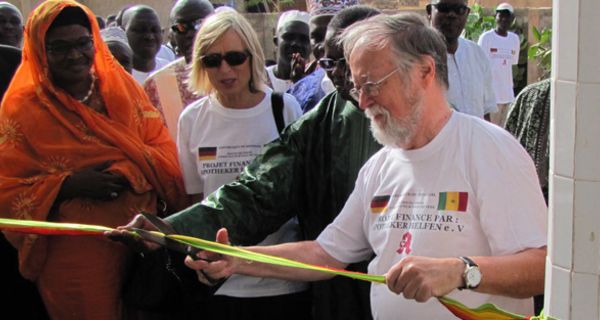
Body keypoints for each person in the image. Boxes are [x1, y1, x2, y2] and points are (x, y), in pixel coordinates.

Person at [186, 13, 548, 319]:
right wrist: (237, 259)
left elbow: (542, 268)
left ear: (424, 71)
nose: (361, 102)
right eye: (358, 87)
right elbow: (324, 254)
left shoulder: (489, 149)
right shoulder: (379, 166)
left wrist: (461, 271)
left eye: (372, 84)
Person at [110, 6, 382, 320]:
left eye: (350, 63)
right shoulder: (326, 118)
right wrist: (176, 228)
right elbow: (261, 188)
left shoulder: (434, 121)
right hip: (339, 284)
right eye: (329, 63)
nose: (339, 75)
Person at [0, 1, 189, 319]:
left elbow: (161, 151)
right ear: (39, 50)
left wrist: (127, 173)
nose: (74, 55)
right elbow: (7, 187)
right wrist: (67, 185)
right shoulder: (21, 108)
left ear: (94, 42)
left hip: (139, 244)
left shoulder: (122, 89)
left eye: (82, 43)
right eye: (59, 47)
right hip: (74, 256)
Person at [177, 10, 307, 319]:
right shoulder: (192, 120)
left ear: (253, 56)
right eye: (212, 60)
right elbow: (197, 200)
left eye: (235, 57)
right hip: (220, 285)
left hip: (282, 281)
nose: (225, 69)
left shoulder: (283, 108)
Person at [143, 0, 214, 139]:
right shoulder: (155, 86)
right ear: (171, 35)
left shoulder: (242, 74)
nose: (190, 34)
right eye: (181, 28)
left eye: (200, 24)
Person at [426, 0, 496, 120]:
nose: (452, 15)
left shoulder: (477, 55)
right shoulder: (416, 58)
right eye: (444, 7)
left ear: (467, 13)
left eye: (459, 10)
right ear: (429, 12)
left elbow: (486, 111)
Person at [286, 4, 337, 113]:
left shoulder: (375, 88)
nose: (323, 45)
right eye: (317, 37)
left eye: (331, 35)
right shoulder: (298, 92)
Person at [478, 2, 520, 126]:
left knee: (504, 134)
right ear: (495, 16)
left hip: (508, 96)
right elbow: (479, 66)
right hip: (491, 98)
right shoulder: (486, 38)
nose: (504, 19)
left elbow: (512, 65)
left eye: (507, 16)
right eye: (501, 16)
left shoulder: (514, 40)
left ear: (512, 19)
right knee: (490, 132)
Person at [122, 5, 169, 83]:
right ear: (123, 32)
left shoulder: (169, 71)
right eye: (140, 30)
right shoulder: (115, 75)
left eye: (155, 30)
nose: (149, 37)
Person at [267, 10, 311, 92]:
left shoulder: (318, 84)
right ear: (276, 42)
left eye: (304, 39)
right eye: (289, 37)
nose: (296, 43)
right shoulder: (258, 79)